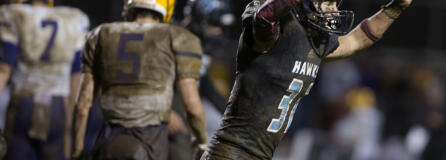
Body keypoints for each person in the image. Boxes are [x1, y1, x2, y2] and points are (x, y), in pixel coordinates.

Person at [202, 0, 412, 159]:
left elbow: (358, 39)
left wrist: (394, 9)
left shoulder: (314, 43)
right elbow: (264, 18)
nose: (334, 11)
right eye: (328, 4)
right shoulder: (278, 30)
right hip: (231, 153)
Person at [72, 0, 208, 159]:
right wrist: (202, 142)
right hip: (149, 141)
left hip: (107, 141)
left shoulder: (100, 34)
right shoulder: (179, 37)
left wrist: (77, 149)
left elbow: (83, 105)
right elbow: (193, 108)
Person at [0, 0, 89, 159]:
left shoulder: (15, 14)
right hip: (57, 105)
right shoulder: (74, 17)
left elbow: (4, 69)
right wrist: (69, 112)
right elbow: (76, 73)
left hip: (24, 101)